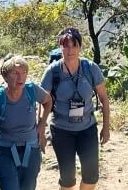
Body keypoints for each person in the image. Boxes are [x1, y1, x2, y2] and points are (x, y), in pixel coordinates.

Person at [40, 28, 111, 190]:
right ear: (60, 47)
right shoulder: (53, 71)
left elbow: (104, 99)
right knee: (67, 179)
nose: (70, 50)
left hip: (87, 128)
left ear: (80, 47)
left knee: (91, 176)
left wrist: (106, 127)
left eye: (74, 45)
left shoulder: (90, 68)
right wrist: (40, 130)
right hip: (61, 130)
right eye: (66, 46)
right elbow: (43, 101)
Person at [0, 58, 52, 190]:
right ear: (5, 76)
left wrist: (41, 126)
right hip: (5, 152)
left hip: (31, 150)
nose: (20, 77)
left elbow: (48, 101)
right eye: (15, 73)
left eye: (24, 72)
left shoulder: (32, 90)